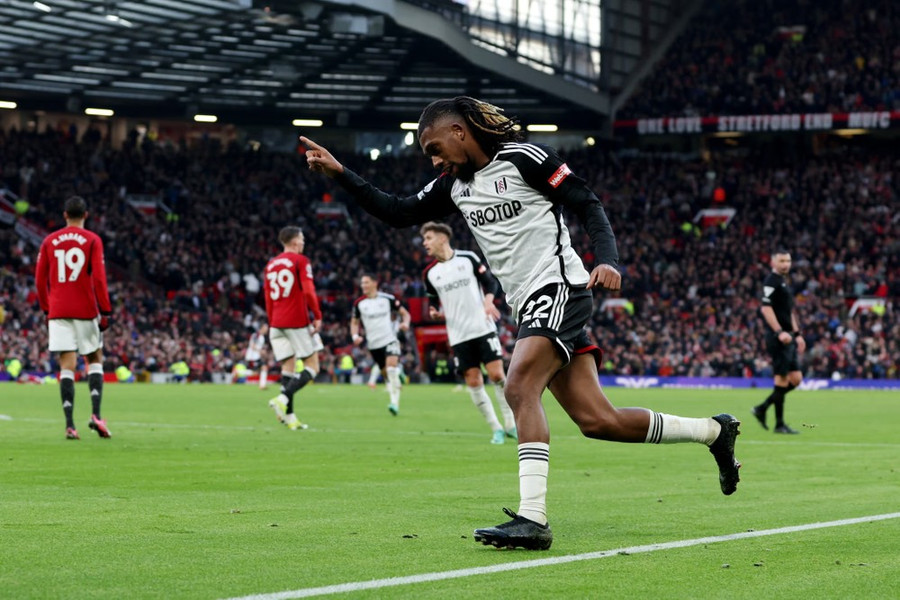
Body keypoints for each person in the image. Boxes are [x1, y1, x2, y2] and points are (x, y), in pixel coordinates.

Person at [301, 95, 741, 550]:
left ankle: (533, 519)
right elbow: (396, 211)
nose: (433, 159)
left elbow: (587, 202)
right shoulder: (453, 185)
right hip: (528, 302)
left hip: (560, 287)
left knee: (517, 389)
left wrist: (606, 259)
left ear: (459, 132)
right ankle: (714, 431)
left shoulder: (523, 158)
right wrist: (341, 174)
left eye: (434, 147)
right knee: (598, 420)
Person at [421, 221, 516, 444]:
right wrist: (435, 311)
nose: (425, 243)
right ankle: (496, 429)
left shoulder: (468, 259)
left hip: (482, 327)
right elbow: (433, 301)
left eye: (429, 238)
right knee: (473, 382)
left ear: (443, 238)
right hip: (458, 334)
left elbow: (490, 283)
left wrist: (488, 301)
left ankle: (511, 423)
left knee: (496, 375)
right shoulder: (429, 274)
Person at [35, 196, 112, 440]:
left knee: (66, 364)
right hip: (85, 309)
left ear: (65, 215)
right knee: (94, 358)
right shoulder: (92, 240)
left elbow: (39, 280)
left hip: (58, 311)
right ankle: (96, 416)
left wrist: (48, 308)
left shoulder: (49, 241)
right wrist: (105, 310)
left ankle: (70, 425)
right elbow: (99, 279)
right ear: (85, 215)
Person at [263, 226, 323, 431]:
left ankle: (290, 418)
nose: (304, 243)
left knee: (288, 368)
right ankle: (282, 397)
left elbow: (268, 297)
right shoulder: (300, 261)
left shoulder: (270, 265)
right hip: (296, 321)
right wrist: (318, 315)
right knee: (313, 366)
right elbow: (308, 291)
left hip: (276, 323)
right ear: (296, 241)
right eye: (303, 239)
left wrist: (272, 321)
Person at [752, 249, 805, 434]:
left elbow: (789, 311)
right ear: (773, 262)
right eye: (782, 260)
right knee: (782, 379)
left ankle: (762, 408)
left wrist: (797, 334)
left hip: (789, 336)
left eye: (788, 260)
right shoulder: (771, 282)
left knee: (796, 379)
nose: (786, 264)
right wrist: (779, 332)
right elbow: (766, 309)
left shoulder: (784, 282)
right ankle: (779, 424)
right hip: (778, 337)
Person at [351, 273, 411, 415]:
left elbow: (405, 314)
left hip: (390, 339)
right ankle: (399, 372)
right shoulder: (359, 303)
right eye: (362, 283)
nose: (363, 286)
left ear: (374, 283)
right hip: (373, 345)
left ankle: (394, 404)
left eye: (366, 282)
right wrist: (355, 335)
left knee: (390, 370)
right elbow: (354, 322)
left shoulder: (387, 299)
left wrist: (406, 323)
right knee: (386, 375)